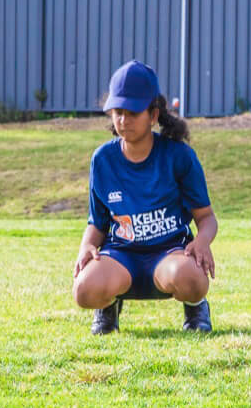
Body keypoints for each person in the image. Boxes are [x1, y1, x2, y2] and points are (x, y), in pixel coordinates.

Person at [72, 61, 218, 335]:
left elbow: (206, 217)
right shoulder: (103, 159)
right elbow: (97, 222)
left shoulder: (179, 156)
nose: (123, 120)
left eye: (133, 113)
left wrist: (202, 242)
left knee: (192, 279)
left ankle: (196, 307)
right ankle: (108, 306)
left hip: (169, 254)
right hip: (120, 255)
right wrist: (86, 246)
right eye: (118, 112)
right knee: (83, 290)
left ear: (153, 115)